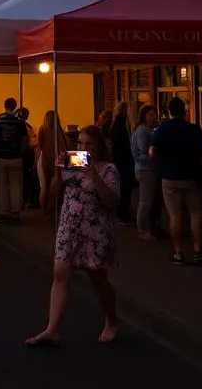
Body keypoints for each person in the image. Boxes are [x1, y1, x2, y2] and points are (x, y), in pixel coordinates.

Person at [26, 125, 120, 347]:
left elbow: (112, 202)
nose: (83, 148)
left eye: (88, 144)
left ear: (98, 145)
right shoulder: (73, 163)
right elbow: (54, 194)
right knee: (60, 273)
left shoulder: (108, 170)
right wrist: (58, 171)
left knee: (98, 278)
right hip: (69, 227)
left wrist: (94, 176)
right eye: (79, 143)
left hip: (94, 230)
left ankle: (112, 319)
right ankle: (52, 328)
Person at [151, 97, 202, 265]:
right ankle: (198, 250)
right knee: (195, 214)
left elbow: (153, 152)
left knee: (174, 215)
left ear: (169, 112)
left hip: (169, 178)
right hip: (191, 177)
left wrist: (160, 163)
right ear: (185, 111)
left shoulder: (161, 130)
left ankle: (178, 251)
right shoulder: (195, 130)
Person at [131, 105, 163, 241]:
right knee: (146, 201)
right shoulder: (143, 131)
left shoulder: (144, 130)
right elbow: (144, 151)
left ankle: (147, 227)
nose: (153, 118)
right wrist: (156, 152)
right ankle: (143, 229)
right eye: (150, 115)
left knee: (148, 200)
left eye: (154, 115)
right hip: (146, 168)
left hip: (145, 168)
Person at [0, 98, 28, 220]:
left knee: (2, 185)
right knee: (15, 186)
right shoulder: (19, 122)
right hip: (15, 157)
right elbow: (24, 141)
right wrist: (22, 151)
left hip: (1, 156)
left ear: (4, 105)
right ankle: (15, 211)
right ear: (15, 106)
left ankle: (3, 211)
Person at [37, 110, 66, 219]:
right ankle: (53, 209)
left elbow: (40, 146)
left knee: (44, 186)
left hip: (44, 158)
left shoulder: (42, 130)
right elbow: (62, 147)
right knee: (55, 184)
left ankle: (45, 212)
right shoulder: (58, 131)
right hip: (55, 159)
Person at [110, 101, 136, 224]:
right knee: (125, 187)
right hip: (124, 159)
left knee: (122, 186)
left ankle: (122, 212)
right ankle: (123, 213)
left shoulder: (116, 123)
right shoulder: (122, 124)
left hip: (119, 159)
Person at [19, 108, 39, 209]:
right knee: (25, 179)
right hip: (26, 155)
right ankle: (24, 200)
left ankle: (23, 201)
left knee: (23, 180)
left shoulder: (25, 126)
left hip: (22, 155)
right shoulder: (28, 127)